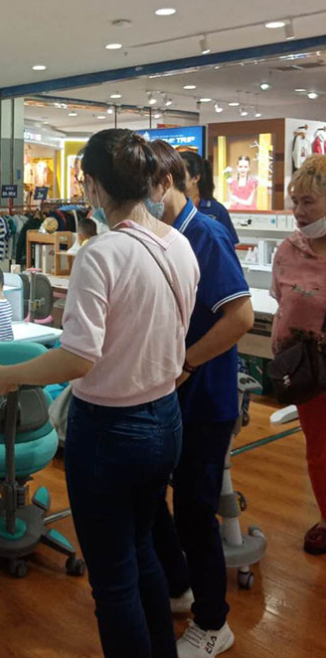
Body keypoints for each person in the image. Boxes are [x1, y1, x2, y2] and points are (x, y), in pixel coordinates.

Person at [0, 129, 200, 658]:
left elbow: (78, 358)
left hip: (110, 430)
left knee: (113, 580)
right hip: (166, 419)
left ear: (91, 185)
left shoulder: (101, 254)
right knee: (142, 549)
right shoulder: (179, 243)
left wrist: (6, 375)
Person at [147, 140, 254, 658]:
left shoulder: (204, 235)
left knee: (194, 511)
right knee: (155, 499)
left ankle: (213, 623)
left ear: (165, 183)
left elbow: (241, 317)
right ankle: (179, 586)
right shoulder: (161, 237)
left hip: (204, 399)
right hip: (169, 395)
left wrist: (186, 363)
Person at [271, 154, 326, 555]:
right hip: (309, 371)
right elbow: (282, 300)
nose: (299, 211)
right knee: (319, 450)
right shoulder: (288, 251)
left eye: (308, 202)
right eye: (295, 202)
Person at [180, 151, 239, 245]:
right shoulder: (170, 208)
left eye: (180, 173)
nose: (174, 178)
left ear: (195, 178)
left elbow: (229, 245)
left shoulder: (217, 210)